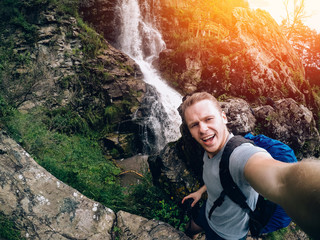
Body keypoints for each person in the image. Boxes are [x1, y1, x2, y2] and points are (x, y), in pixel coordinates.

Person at [180, 92, 320, 240]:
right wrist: (200, 192)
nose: (202, 129)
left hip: (226, 234)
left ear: (223, 118)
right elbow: (218, 175)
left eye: (208, 119)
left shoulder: (240, 155)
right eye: (194, 124)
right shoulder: (210, 146)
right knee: (189, 230)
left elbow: (282, 180)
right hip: (208, 211)